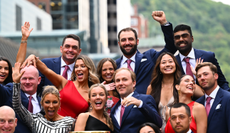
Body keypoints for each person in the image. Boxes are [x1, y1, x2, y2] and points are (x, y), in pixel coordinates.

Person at [116, 11, 177, 94]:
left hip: (146, 104)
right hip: (122, 105)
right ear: (119, 44)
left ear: (137, 41)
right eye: (123, 40)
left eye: (130, 39)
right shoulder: (115, 65)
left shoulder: (150, 57)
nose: (127, 43)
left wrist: (164, 23)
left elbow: (171, 48)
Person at [22, 54, 100, 118]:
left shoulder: (91, 93)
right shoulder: (64, 83)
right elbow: (46, 70)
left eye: (82, 66)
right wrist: (33, 58)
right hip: (50, 126)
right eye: (76, 67)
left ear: (89, 69)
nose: (78, 69)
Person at [12, 62, 75, 133]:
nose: (51, 106)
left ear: (59, 103)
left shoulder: (70, 122)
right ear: (42, 103)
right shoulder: (35, 120)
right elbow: (17, 106)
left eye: (54, 102)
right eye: (47, 102)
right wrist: (16, 83)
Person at [173, 24, 229, 91]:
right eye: (177, 37)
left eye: (184, 36)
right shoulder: (173, 62)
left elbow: (222, 82)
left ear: (192, 38)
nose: (181, 39)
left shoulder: (208, 57)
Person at [110, 68, 162, 133]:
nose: (120, 83)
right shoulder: (114, 109)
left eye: (125, 79)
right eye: (117, 80)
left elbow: (158, 122)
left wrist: (140, 104)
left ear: (134, 83)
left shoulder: (144, 99)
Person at [0, 65, 41, 133]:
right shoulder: (11, 91)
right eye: (24, 78)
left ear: (39, 80)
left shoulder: (45, 103)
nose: (27, 82)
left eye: (31, 78)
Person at [146, 52, 180, 132]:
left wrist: (195, 76)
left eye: (170, 61)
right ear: (159, 67)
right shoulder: (152, 87)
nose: (167, 65)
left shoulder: (181, 85)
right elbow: (148, 112)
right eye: (163, 62)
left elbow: (203, 94)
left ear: (175, 64)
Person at [195, 62, 230, 133]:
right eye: (199, 76)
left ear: (216, 76)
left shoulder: (228, 98)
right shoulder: (197, 103)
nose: (202, 78)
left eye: (205, 74)